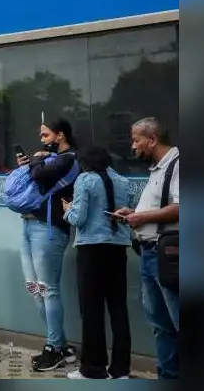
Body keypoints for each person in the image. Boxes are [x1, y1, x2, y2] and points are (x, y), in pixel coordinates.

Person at [114, 117, 179, 380]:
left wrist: (144, 218)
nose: (133, 146)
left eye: (136, 139)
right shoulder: (158, 169)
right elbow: (159, 207)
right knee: (160, 325)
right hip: (150, 254)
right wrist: (135, 213)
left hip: (170, 256)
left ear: (152, 139)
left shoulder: (177, 164)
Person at [63, 145, 133, 380]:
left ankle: (93, 369)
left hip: (91, 250)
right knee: (118, 309)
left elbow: (79, 218)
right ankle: (121, 370)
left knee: (92, 310)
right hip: (118, 248)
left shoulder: (86, 179)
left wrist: (67, 210)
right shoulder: (122, 181)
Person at [15, 117, 79, 371]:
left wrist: (37, 160)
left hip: (50, 229)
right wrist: (30, 164)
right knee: (35, 289)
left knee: (47, 288)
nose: (41, 141)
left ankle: (54, 348)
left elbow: (40, 174)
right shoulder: (48, 159)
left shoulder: (70, 158)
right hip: (28, 225)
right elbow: (34, 177)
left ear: (60, 135)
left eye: (45, 135)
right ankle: (61, 345)